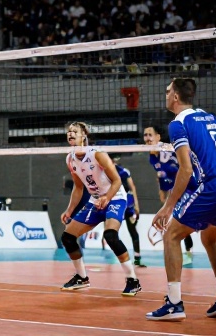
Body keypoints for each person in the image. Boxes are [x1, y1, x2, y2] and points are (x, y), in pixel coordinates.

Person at [147, 78, 216, 321]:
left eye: (167, 91)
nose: (165, 95)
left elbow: (185, 169)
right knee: (209, 237)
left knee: (171, 235)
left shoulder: (178, 124)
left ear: (175, 96)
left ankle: (174, 303)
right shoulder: (211, 118)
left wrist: (168, 206)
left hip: (215, 184)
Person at [59, 122, 141, 296]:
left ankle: (132, 280)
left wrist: (107, 198)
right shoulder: (70, 159)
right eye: (69, 131)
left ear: (84, 136)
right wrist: (69, 210)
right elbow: (78, 188)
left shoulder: (98, 154)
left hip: (115, 197)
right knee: (67, 237)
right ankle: (81, 277)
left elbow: (117, 180)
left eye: (75, 131)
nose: (70, 133)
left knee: (110, 235)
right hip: (95, 200)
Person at [144, 126, 195, 265]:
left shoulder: (167, 150)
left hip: (189, 187)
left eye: (150, 135)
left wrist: (172, 196)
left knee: (180, 221)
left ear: (158, 137)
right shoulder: (152, 157)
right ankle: (187, 252)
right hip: (175, 191)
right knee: (179, 221)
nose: (147, 138)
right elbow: (161, 175)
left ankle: (188, 252)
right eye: (145, 135)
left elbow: (183, 170)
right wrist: (163, 191)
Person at [111, 160, 146, 267]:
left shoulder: (123, 171)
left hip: (128, 204)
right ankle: (122, 257)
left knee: (132, 230)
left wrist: (136, 206)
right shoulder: (105, 172)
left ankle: (137, 258)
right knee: (112, 232)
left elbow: (132, 187)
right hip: (115, 203)